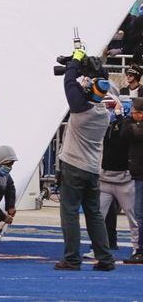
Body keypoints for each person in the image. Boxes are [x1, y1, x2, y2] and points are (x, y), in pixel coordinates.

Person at [55, 49, 116, 271]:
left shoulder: (81, 109)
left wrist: (76, 62)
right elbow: (100, 87)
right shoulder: (103, 112)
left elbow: (69, 84)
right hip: (92, 169)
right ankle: (105, 259)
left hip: (74, 166)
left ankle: (72, 259)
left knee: (70, 214)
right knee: (95, 215)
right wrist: (93, 72)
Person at [96, 95, 137, 262]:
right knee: (97, 216)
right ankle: (98, 248)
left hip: (124, 179)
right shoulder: (99, 126)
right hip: (105, 178)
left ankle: (138, 248)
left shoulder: (129, 127)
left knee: (134, 217)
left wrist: (120, 115)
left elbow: (126, 134)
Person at [121, 97, 143, 263]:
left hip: (141, 175)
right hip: (139, 174)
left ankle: (141, 250)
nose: (131, 115)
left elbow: (126, 132)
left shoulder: (138, 129)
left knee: (139, 214)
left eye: (133, 112)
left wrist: (125, 115)